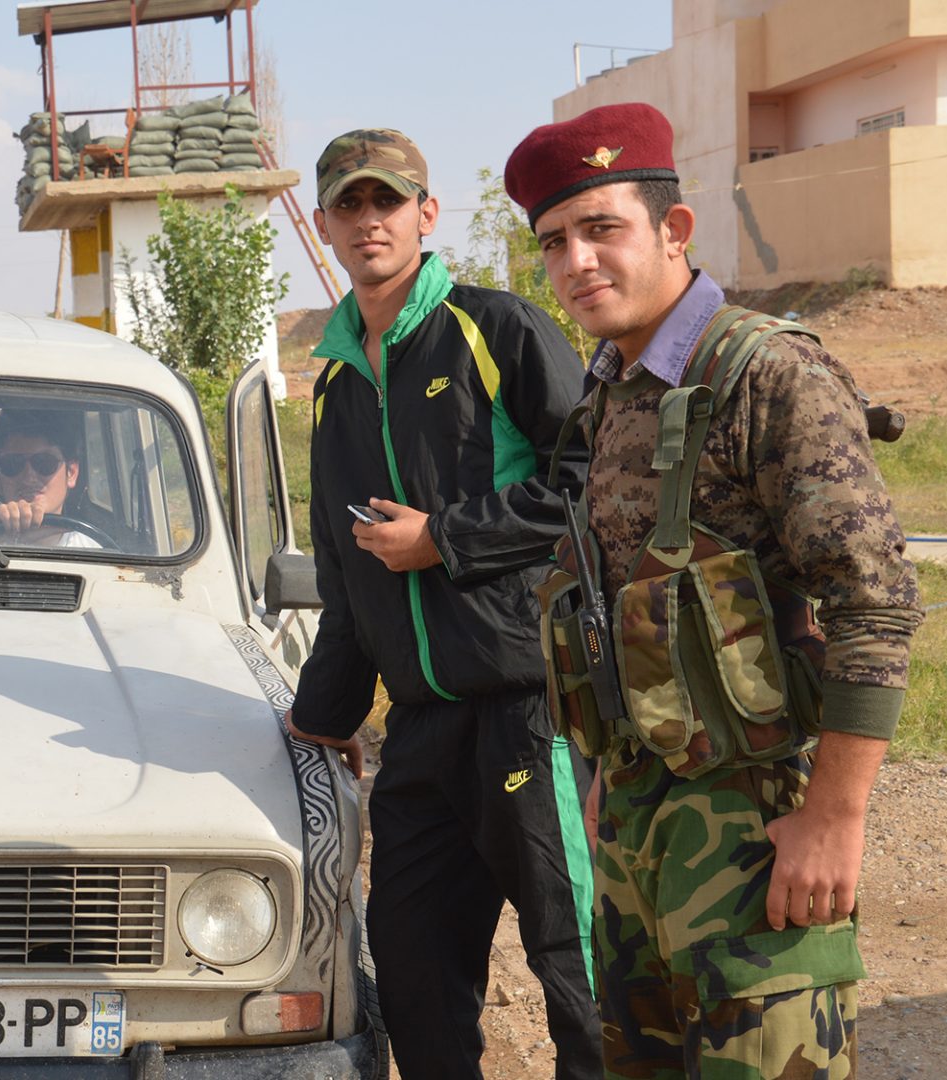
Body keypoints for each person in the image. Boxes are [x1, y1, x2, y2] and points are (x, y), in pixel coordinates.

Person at [506, 102, 920, 1079]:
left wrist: (834, 820)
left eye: (602, 229)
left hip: (758, 829)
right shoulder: (614, 395)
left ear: (673, 230)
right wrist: (606, 772)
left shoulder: (767, 375)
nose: (577, 263)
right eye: (555, 242)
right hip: (642, 837)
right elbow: (612, 608)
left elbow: (875, 599)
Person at [283, 128, 602, 1080]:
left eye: (390, 201)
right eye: (350, 203)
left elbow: (592, 484)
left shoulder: (494, 327)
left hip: (527, 710)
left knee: (579, 973)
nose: (369, 219)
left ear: (427, 214)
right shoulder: (335, 378)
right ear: (324, 223)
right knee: (417, 986)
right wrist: (321, 715)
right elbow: (343, 571)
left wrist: (446, 539)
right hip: (419, 735)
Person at [0, 408, 101, 549]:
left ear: (71, 473)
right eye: (13, 464)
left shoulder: (96, 553)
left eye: (44, 462)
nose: (29, 477)